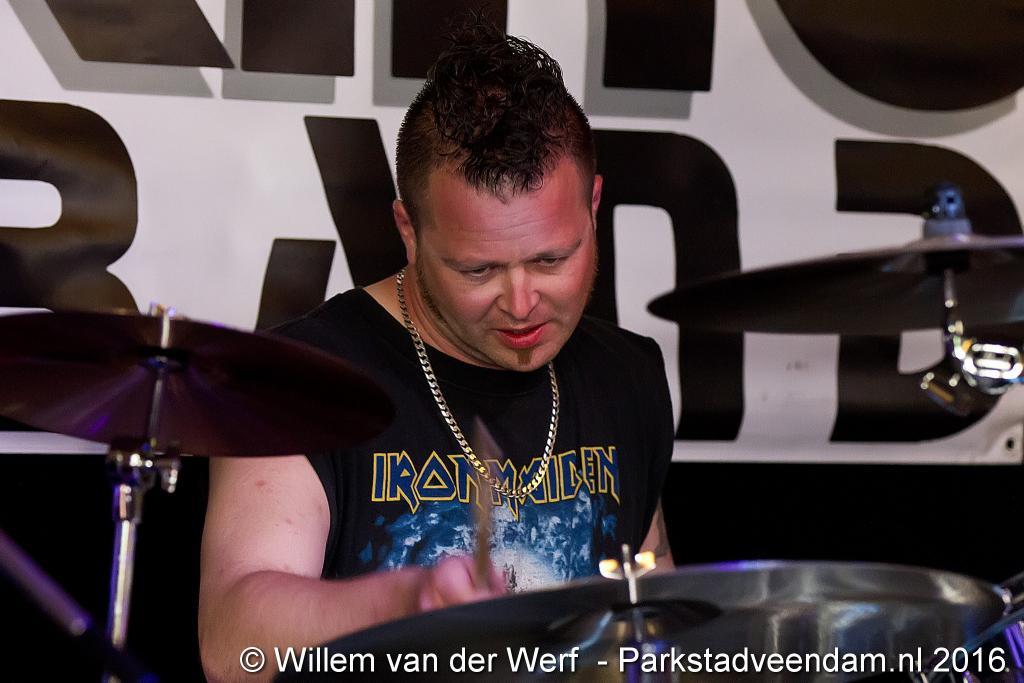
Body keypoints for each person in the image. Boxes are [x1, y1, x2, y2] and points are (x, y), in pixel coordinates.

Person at [198, 19, 675, 683]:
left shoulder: (627, 375)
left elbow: (654, 609)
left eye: (551, 260)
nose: (521, 302)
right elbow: (233, 647)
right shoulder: (292, 379)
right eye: (478, 269)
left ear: (593, 206)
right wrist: (408, 603)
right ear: (409, 230)